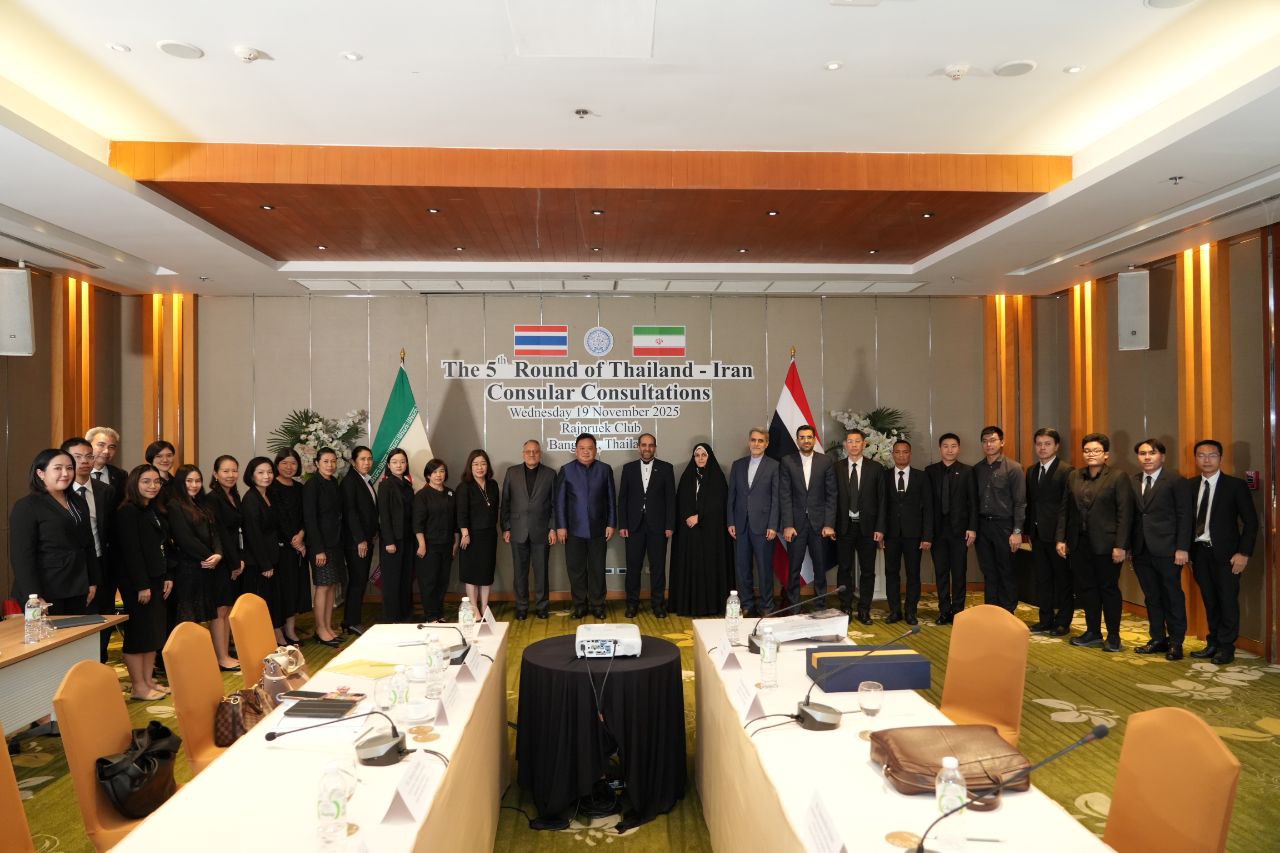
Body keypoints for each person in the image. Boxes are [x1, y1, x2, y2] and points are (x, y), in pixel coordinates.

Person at [1177, 439, 1258, 665]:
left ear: (1221, 458)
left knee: (1227, 600)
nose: (1207, 460)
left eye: (1212, 455)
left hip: (1228, 555)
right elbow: (1185, 521)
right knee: (1210, 600)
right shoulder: (1189, 486)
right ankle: (1212, 643)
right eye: (1201, 455)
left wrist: (1244, 553)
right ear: (1195, 459)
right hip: (1199, 553)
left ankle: (1226, 647)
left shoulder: (1235, 485)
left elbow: (1251, 523)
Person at [1057, 433, 1134, 653]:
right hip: (1079, 543)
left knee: (1108, 589)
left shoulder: (1118, 477)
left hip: (1107, 545)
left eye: (1096, 451)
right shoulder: (1074, 475)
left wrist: (1121, 545)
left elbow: (1125, 514)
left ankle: (1114, 636)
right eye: (1087, 451)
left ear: (1106, 454)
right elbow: (1065, 509)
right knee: (1087, 589)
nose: (1091, 454)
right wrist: (1061, 538)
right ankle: (1093, 632)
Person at [9, 448, 99, 615]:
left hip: (78, 586)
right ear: (41, 473)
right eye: (58, 468)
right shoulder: (27, 506)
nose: (65, 473)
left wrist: (92, 580)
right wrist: (33, 596)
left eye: (69, 468)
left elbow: (88, 544)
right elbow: (22, 556)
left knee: (81, 630)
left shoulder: (77, 501)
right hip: (46, 589)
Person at [167, 464, 235, 668]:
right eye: (189, 481)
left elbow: (216, 532)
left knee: (208, 614)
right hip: (189, 568)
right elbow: (185, 538)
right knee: (188, 617)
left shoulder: (203, 503)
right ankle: (185, 665)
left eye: (198, 480)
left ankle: (207, 660)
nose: (194, 485)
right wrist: (209, 556)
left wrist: (218, 554)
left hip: (209, 566)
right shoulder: (174, 505)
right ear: (180, 482)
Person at [114, 464, 173, 700]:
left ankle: (148, 681)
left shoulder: (153, 509)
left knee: (153, 634)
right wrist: (142, 585)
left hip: (156, 577)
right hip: (137, 583)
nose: (153, 486)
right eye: (146, 481)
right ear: (134, 484)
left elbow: (161, 546)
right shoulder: (127, 512)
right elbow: (131, 552)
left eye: (156, 481)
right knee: (138, 635)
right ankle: (138, 686)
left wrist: (166, 576)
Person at [1129, 438, 1188, 661]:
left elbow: (1184, 516)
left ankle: (1176, 642)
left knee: (1172, 596)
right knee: (1151, 597)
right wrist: (1128, 546)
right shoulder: (1133, 480)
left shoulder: (1175, 480)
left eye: (1152, 453)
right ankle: (1157, 638)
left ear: (1162, 456)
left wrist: (1182, 548)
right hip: (1141, 550)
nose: (1147, 457)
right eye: (1142, 453)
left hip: (1168, 550)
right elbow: (1131, 516)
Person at [61, 437, 118, 662]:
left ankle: (99, 663)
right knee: (77, 622)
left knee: (104, 618)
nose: (85, 461)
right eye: (77, 457)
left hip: (102, 563)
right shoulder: (60, 493)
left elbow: (111, 531)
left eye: (89, 457)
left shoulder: (106, 491)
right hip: (73, 568)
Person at [555, 433, 616, 619]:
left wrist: (611, 523)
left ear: (596, 450)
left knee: (597, 569)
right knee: (576, 570)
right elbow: (560, 502)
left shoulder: (605, 469)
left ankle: (598, 605)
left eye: (590, 448)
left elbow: (611, 500)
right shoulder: (566, 470)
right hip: (573, 530)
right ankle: (580, 606)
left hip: (599, 529)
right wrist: (561, 526)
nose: (586, 452)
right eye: (582, 448)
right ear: (576, 450)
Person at [669, 443, 733, 616]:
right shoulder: (687, 476)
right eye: (697, 455)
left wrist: (700, 516)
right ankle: (689, 605)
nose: (700, 458)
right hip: (690, 534)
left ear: (709, 457)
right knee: (691, 569)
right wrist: (688, 516)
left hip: (711, 534)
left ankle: (711, 606)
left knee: (710, 569)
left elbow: (720, 504)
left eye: (703, 455)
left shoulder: (717, 478)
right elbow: (680, 502)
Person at [617, 433, 677, 618]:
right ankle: (632, 604)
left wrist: (669, 525)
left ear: (655, 448)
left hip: (658, 527)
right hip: (633, 526)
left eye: (651, 445)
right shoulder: (628, 469)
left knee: (658, 567)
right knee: (633, 567)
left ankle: (658, 605)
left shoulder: (666, 468)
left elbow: (670, 499)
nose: (647, 448)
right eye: (644, 445)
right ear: (638, 447)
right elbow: (623, 499)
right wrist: (623, 524)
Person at [779, 424, 837, 610]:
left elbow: (831, 495)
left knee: (820, 568)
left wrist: (829, 524)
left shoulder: (825, 461)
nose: (806, 440)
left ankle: (820, 606)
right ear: (797, 440)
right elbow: (785, 495)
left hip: (819, 525)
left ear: (814, 439)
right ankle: (794, 608)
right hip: (795, 525)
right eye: (802, 437)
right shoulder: (787, 461)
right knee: (794, 569)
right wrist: (787, 524)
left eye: (809, 437)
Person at [923, 434, 977, 625]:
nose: (950, 450)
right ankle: (944, 611)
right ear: (940, 448)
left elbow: (973, 502)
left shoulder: (968, 471)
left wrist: (972, 527)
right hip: (938, 531)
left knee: (959, 573)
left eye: (953, 446)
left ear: (959, 448)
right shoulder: (930, 471)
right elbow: (927, 505)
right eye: (946, 446)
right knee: (941, 573)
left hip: (960, 531)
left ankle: (958, 611)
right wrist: (927, 533)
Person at [500, 440, 557, 620]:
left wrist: (553, 528)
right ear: (523, 453)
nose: (532, 454)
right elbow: (505, 501)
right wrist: (506, 527)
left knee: (541, 572)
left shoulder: (550, 474)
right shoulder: (512, 472)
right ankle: (521, 606)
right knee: (520, 572)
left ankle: (542, 606)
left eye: (535, 451)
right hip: (517, 529)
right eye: (528, 451)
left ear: (540, 454)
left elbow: (555, 504)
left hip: (542, 530)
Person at [727, 428, 780, 617]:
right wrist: (731, 521)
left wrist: (773, 525)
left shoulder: (774, 466)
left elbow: (776, 498)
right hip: (740, 525)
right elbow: (732, 496)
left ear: (766, 444)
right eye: (753, 440)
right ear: (749, 442)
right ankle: (747, 604)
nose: (756, 444)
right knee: (742, 568)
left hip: (764, 526)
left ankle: (767, 606)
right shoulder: (738, 465)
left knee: (765, 568)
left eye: (760, 440)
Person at [834, 428, 885, 623]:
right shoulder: (836, 468)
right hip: (843, 527)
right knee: (844, 569)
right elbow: (831, 499)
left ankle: (864, 609)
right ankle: (846, 607)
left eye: (857, 441)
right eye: (850, 441)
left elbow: (882, 501)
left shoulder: (876, 468)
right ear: (845, 445)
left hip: (868, 528)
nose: (854, 445)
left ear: (864, 444)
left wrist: (880, 528)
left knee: (868, 570)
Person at [1026, 427, 1073, 635]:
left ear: (1057, 446)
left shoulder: (1067, 471)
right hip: (1037, 534)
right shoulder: (1031, 470)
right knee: (1042, 579)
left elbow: (1067, 506)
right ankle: (1045, 619)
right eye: (1039, 444)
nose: (1042, 448)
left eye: (1047, 444)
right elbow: (1031, 503)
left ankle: (1063, 621)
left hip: (1057, 536)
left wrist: (1063, 537)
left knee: (1062, 580)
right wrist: (1029, 531)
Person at [973, 426, 1026, 611]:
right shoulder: (977, 469)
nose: (989, 444)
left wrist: (1017, 532)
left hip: (1004, 525)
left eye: (993, 440)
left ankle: (1008, 611)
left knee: (1006, 569)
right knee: (988, 570)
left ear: (1002, 442)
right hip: (982, 525)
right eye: (985, 441)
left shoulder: (1014, 468)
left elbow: (1020, 503)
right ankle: (991, 610)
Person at [881, 440, 933, 626]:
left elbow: (928, 508)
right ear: (892, 454)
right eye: (897, 452)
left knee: (913, 574)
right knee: (891, 573)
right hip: (891, 534)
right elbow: (881, 507)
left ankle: (911, 611)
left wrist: (927, 536)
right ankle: (894, 611)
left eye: (905, 452)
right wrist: (880, 532)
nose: (901, 455)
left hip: (914, 535)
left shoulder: (922, 477)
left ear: (910, 454)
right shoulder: (884, 476)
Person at [304, 448, 345, 646]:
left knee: (332, 586)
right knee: (322, 586)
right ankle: (320, 629)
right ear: (316, 463)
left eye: (333, 461)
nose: (330, 465)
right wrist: (318, 549)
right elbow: (310, 519)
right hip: (320, 546)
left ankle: (328, 626)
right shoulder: (312, 485)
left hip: (335, 543)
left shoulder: (333, 482)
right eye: (326, 461)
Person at [241, 457, 285, 642]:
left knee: (273, 600)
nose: (266, 476)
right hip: (258, 562)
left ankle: (275, 636)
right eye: (260, 472)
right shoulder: (251, 499)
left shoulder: (268, 494)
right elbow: (253, 535)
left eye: (269, 472)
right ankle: (262, 642)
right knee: (262, 602)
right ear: (251, 475)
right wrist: (265, 564)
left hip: (272, 557)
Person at [207, 455, 245, 650]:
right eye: (225, 471)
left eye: (234, 470)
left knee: (230, 607)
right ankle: (220, 654)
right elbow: (220, 533)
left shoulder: (234, 495)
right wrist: (234, 562)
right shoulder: (212, 499)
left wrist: (240, 559)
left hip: (235, 558)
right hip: (222, 561)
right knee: (220, 609)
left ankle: (226, 651)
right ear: (215, 473)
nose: (231, 475)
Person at [269, 449, 307, 645]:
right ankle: (278, 632)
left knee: (294, 589)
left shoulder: (300, 488)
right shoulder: (271, 487)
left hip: (297, 546)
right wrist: (294, 541)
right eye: (284, 463)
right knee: (280, 591)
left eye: (293, 463)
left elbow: (305, 516)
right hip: (280, 548)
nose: (289, 467)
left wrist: (301, 535)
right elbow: (278, 518)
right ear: (277, 464)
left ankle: (290, 630)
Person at [413, 459, 458, 623]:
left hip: (447, 544)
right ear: (428, 475)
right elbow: (417, 523)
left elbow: (455, 521)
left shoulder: (451, 493)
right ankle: (431, 616)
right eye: (434, 472)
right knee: (429, 581)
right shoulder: (422, 495)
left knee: (442, 581)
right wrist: (422, 544)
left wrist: (455, 543)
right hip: (429, 546)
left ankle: (439, 614)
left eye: (441, 471)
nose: (438, 475)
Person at [340, 445, 378, 636]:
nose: (367, 462)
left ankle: (351, 620)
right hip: (357, 543)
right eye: (362, 459)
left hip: (366, 539)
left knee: (360, 580)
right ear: (353, 462)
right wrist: (360, 540)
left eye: (369, 459)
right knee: (357, 580)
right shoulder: (350, 482)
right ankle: (351, 621)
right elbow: (351, 513)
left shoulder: (364, 480)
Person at [457, 449, 500, 616]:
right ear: (470, 466)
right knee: (472, 573)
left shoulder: (493, 485)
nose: (479, 467)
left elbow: (495, 510)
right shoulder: (464, 487)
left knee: (486, 573)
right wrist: (465, 534)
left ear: (487, 466)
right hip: (471, 536)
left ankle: (485, 607)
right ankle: (474, 608)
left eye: (483, 464)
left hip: (489, 535)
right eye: (475, 464)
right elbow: (461, 513)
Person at [377, 448, 417, 623]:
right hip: (392, 541)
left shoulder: (407, 485)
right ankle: (392, 618)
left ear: (406, 464)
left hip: (408, 539)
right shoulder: (385, 485)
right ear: (388, 465)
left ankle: (405, 616)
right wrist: (389, 541)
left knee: (406, 578)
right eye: (394, 462)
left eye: (402, 462)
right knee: (392, 581)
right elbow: (384, 515)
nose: (399, 465)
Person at [85, 426, 128, 499]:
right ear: (88, 446)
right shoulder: (75, 473)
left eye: (111, 447)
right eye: (101, 445)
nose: (106, 451)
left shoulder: (121, 475)